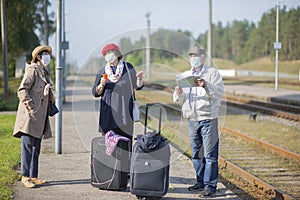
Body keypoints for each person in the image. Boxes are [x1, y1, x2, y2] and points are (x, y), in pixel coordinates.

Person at [173, 46, 224, 197]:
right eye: (191, 56)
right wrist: (178, 93)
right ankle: (200, 182)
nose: (193, 58)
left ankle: (210, 186)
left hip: (208, 118)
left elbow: (219, 93)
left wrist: (206, 86)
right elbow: (179, 100)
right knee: (196, 154)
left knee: (210, 155)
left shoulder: (212, 74)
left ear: (203, 57)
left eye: (196, 55)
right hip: (192, 120)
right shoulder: (185, 76)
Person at [13, 45, 55, 188]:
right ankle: (25, 177)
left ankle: (33, 176)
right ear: (38, 56)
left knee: (36, 147)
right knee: (28, 147)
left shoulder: (44, 72)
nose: (48, 57)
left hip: (40, 117)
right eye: (45, 54)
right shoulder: (32, 70)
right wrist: (31, 107)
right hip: (30, 117)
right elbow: (22, 90)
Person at [92, 43, 145, 147]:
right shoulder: (102, 71)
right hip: (108, 114)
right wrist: (101, 85)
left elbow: (137, 86)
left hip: (125, 114)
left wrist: (140, 79)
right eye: (106, 54)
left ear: (117, 54)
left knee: (125, 145)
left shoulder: (127, 67)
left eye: (110, 53)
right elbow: (95, 92)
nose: (108, 55)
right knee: (109, 146)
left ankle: (126, 163)